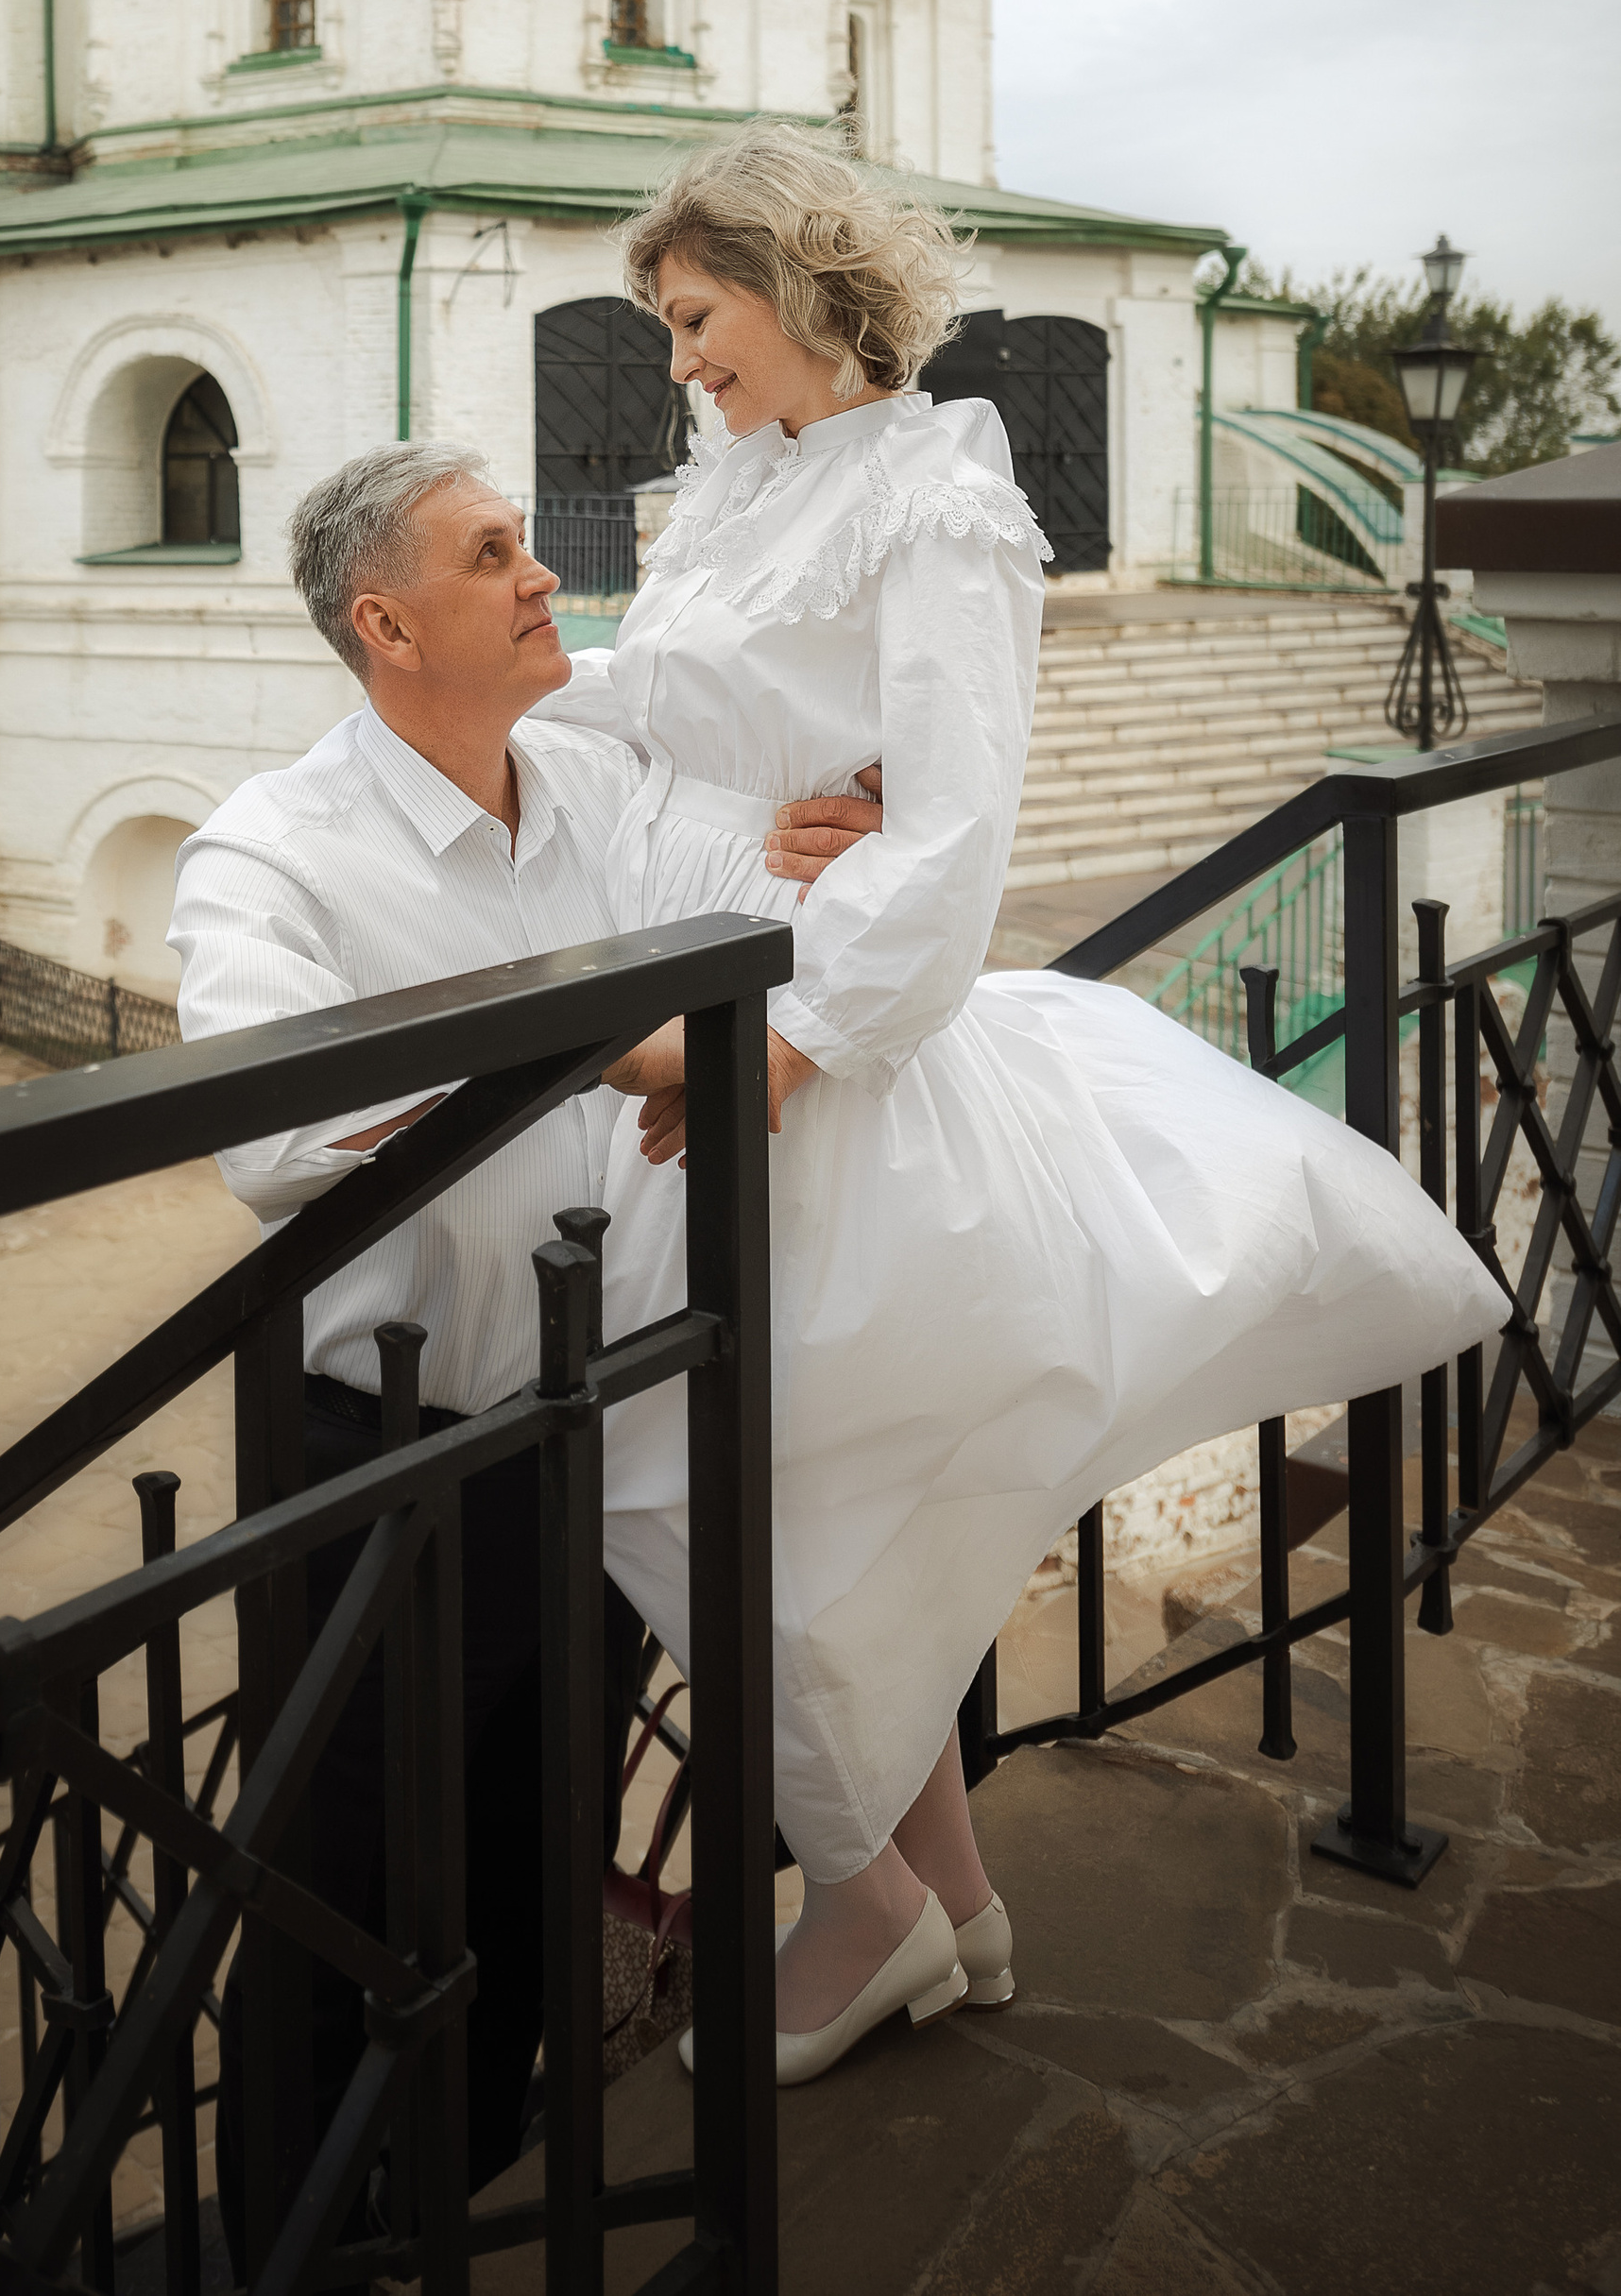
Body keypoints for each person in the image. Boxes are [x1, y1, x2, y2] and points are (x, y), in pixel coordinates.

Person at [539, 120, 1512, 2084]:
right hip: (699, 973)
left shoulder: (935, 494)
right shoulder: (731, 483)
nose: (677, 359)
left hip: (806, 1039)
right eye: (664, 324)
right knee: (791, 1486)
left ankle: (863, 1904)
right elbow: (651, 712)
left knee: (749, 1489)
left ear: (801, 288)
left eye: (696, 314)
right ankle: (950, 1894)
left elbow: (961, 812)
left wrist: (790, 1051)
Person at [168, 443, 879, 2241]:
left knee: (535, 1845)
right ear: (386, 621)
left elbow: (756, 880)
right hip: (378, 1454)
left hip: (584, 1414)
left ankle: (486, 2191)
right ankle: (301, 2233)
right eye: (497, 555)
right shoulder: (269, 849)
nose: (545, 573)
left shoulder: (589, 782)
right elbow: (268, 1138)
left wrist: (833, 847)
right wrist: (596, 1045)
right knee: (341, 1881)